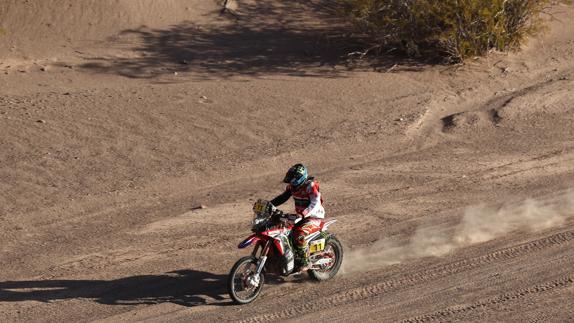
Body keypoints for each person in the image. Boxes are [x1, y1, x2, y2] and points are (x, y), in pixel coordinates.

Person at [270, 163, 325, 272]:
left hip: (314, 217)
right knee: (282, 231)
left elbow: (315, 203)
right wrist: (269, 205)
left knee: (299, 235)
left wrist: (302, 214)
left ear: (299, 177)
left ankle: (305, 261)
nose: (291, 180)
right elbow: (282, 198)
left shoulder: (311, 186)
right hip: (301, 216)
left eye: (293, 178)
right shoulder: (292, 187)